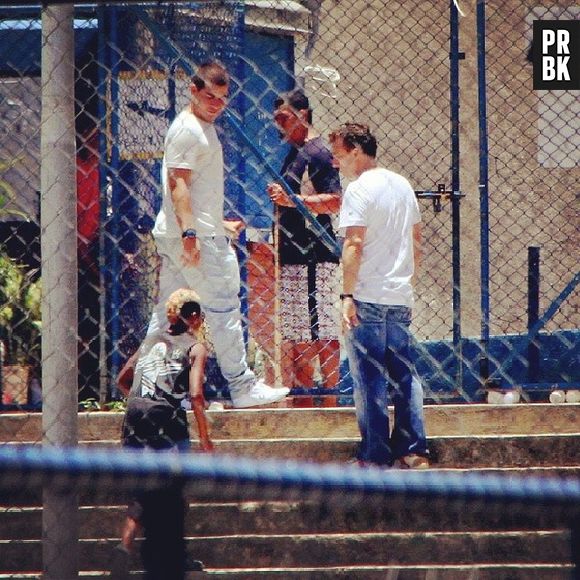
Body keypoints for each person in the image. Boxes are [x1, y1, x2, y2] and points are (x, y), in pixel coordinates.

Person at [148, 61, 289, 408]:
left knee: (170, 316)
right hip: (195, 238)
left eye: (222, 98)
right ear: (193, 91)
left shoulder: (196, 127)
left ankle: (157, 390)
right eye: (209, 96)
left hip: (187, 233)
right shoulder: (189, 130)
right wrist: (192, 234)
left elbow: (190, 188)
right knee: (223, 306)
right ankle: (241, 386)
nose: (216, 103)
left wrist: (209, 224)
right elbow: (178, 183)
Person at [330, 123, 429, 469]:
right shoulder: (402, 185)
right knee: (404, 374)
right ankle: (414, 450)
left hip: (368, 293)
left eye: (339, 155)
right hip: (399, 295)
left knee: (369, 377)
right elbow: (417, 243)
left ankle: (375, 454)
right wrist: (404, 280)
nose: (336, 162)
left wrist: (346, 294)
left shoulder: (358, 190)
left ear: (356, 151)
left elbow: (354, 244)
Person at [111, 288, 212, 580]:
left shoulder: (150, 340)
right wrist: (205, 439)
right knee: (174, 490)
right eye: (200, 316)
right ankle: (177, 556)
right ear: (193, 317)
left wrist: (144, 401)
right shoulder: (194, 347)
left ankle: (124, 547)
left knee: (142, 490)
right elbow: (195, 395)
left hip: (134, 416)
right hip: (166, 421)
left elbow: (122, 380)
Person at [267, 89, 341, 406]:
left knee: (323, 331)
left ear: (303, 114)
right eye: (276, 120)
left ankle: (330, 402)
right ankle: (304, 403)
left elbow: (335, 202)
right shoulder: (292, 154)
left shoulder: (320, 153)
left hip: (316, 255)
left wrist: (292, 201)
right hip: (293, 256)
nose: (279, 126)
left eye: (284, 118)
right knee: (298, 335)